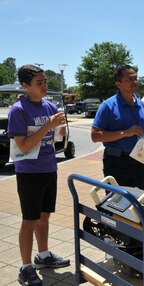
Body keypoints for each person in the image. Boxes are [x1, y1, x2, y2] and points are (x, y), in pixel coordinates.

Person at [8, 65, 70, 286]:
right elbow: (23, 146)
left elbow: (51, 140)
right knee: (29, 221)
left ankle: (43, 256)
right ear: (25, 86)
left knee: (44, 217)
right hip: (29, 173)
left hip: (48, 168)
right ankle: (25, 267)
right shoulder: (18, 110)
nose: (44, 86)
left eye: (45, 81)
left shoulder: (50, 106)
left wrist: (59, 131)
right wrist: (49, 126)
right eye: (39, 83)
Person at [91, 65, 144, 190]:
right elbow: (95, 136)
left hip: (139, 161)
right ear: (118, 84)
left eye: (135, 78)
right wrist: (125, 133)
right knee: (117, 205)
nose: (134, 82)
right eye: (130, 80)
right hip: (116, 163)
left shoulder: (142, 105)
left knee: (139, 203)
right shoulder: (107, 106)